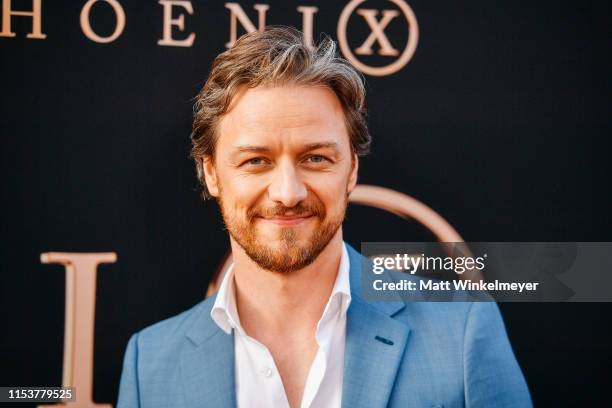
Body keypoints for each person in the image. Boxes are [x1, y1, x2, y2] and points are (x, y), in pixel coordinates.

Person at [117, 26, 531, 408]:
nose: (287, 193)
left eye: (315, 158)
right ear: (211, 173)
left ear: (351, 168)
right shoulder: (150, 363)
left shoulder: (461, 335)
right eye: (256, 160)